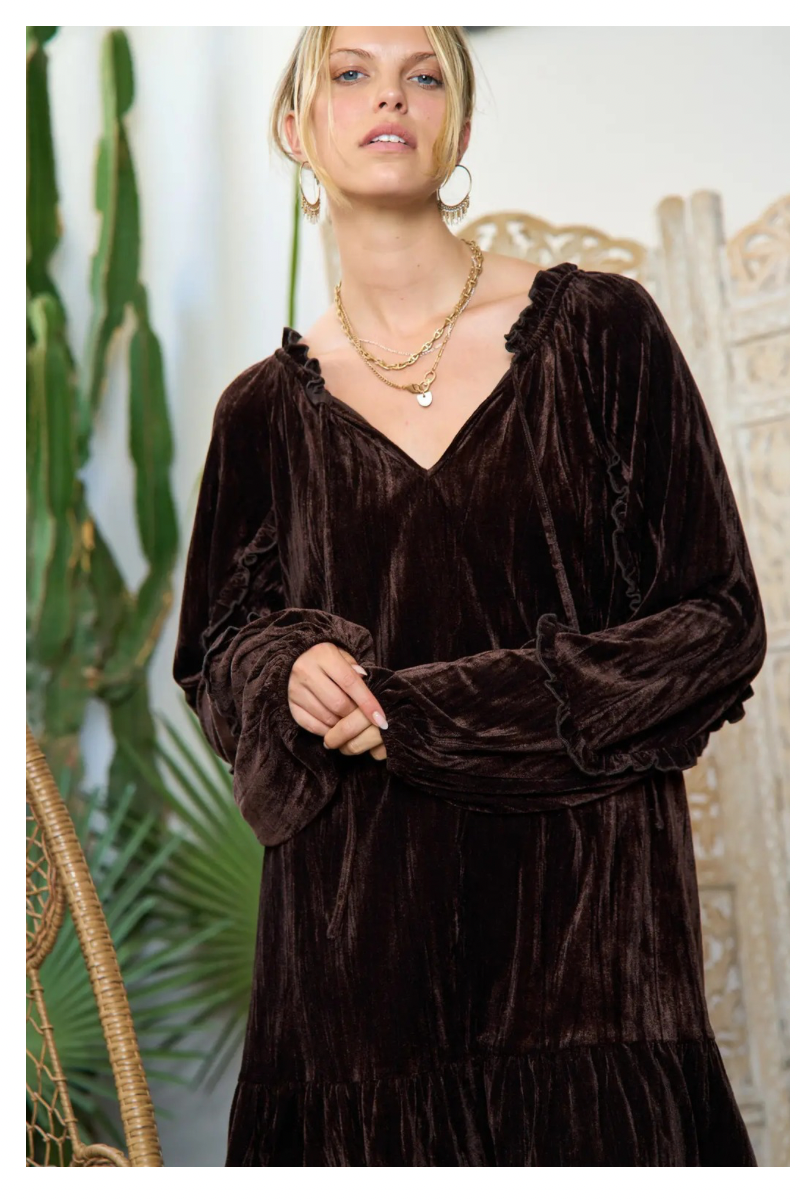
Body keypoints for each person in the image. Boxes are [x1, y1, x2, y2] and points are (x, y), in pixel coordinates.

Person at [172, 25, 767, 1167]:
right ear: (295, 128)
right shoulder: (259, 414)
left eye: (425, 75)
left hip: (587, 948)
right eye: (350, 72)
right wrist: (286, 668)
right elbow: (215, 658)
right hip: (355, 973)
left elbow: (715, 623)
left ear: (460, 124)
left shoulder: (602, 333)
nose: (389, 96)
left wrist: (431, 714)